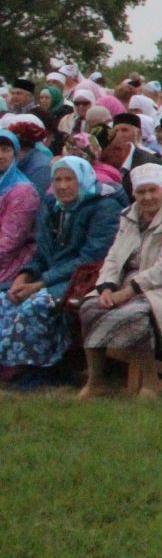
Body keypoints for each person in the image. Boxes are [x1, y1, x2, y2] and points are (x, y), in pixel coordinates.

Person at [75, 163, 162, 397]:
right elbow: (114, 256)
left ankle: (150, 382)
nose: (147, 197)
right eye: (141, 192)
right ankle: (95, 380)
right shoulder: (130, 215)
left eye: (153, 190)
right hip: (130, 283)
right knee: (90, 306)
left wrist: (129, 291)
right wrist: (107, 287)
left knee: (134, 313)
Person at [0, 156, 124, 376]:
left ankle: (39, 370)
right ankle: (8, 366)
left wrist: (39, 284)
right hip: (52, 275)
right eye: (57, 179)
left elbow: (89, 258)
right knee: (5, 300)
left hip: (87, 276)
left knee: (36, 305)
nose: (63, 186)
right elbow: (42, 252)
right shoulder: (52, 206)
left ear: (84, 179)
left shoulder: (104, 207)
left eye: (70, 179)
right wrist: (25, 275)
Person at [0, 130, 42, 289]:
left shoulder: (23, 191)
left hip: (10, 261)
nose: (0, 155)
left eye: (6, 149)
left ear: (15, 154)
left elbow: (9, 243)